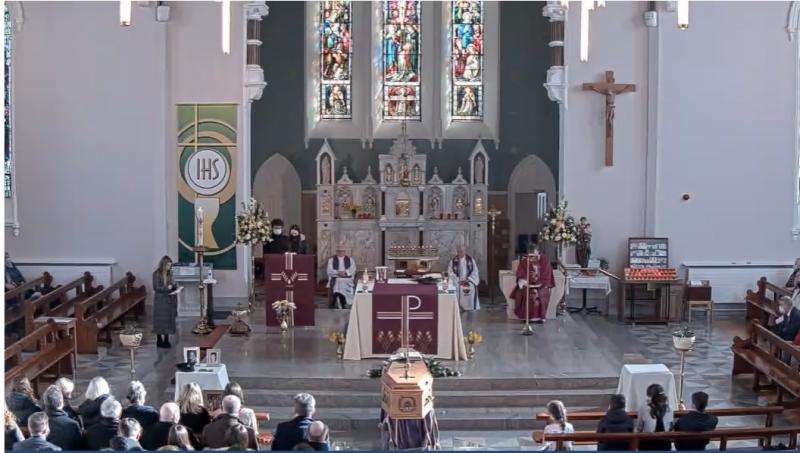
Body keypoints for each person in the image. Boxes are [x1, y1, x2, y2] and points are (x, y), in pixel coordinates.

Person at [511, 245, 555, 322]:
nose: (532, 257)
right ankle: (526, 317)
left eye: (534, 255)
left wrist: (538, 284)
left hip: (541, 285)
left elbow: (547, 274)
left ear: (538, 252)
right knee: (523, 293)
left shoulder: (545, 260)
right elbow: (521, 274)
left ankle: (540, 317)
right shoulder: (525, 260)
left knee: (541, 294)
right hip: (528, 284)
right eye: (530, 255)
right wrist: (524, 282)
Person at [41, 386, 83, 451]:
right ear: (61, 402)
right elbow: (79, 448)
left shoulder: (37, 421)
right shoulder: (73, 425)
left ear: (45, 402)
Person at [636, 384, 673, 451]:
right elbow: (670, 428)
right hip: (665, 445)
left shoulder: (644, 408)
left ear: (650, 397)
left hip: (648, 445)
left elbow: (639, 428)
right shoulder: (669, 409)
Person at [153, 255, 178, 348]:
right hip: (160, 300)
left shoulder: (170, 273)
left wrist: (175, 287)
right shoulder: (156, 274)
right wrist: (167, 288)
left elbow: (173, 284)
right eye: (168, 265)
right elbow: (156, 287)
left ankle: (166, 339)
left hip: (169, 299)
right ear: (163, 265)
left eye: (170, 265)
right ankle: (159, 339)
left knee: (168, 320)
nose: (169, 267)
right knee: (159, 321)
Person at [449, 243, 480, 312]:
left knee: (470, 287)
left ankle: (469, 307)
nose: (460, 253)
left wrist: (468, 280)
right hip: (457, 281)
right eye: (459, 251)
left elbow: (475, 272)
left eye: (462, 251)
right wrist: (457, 280)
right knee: (456, 287)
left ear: (465, 251)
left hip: (468, 281)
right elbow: (450, 273)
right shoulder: (453, 261)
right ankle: (458, 307)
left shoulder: (471, 260)